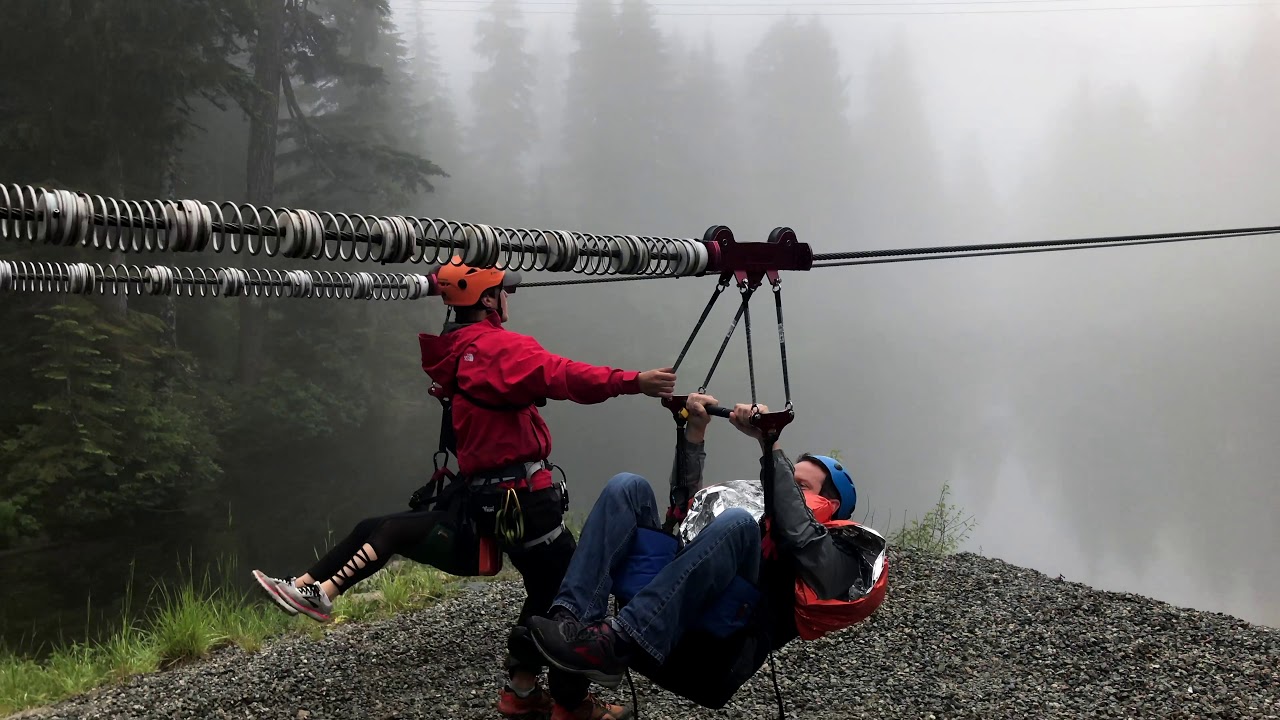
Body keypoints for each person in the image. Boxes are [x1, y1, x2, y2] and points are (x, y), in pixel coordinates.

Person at [251, 258, 678, 720]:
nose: (508, 297)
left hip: (485, 500)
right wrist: (634, 382)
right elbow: (564, 375)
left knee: (528, 585)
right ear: (488, 299)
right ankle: (572, 706)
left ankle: (314, 587)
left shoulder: (456, 350)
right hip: (525, 500)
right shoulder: (502, 349)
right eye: (503, 291)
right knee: (568, 601)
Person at [524, 393, 884, 709]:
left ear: (831, 503)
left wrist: (770, 443)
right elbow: (685, 516)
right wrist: (695, 431)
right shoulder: (752, 503)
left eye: (797, 482)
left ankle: (616, 642)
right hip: (674, 595)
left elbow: (798, 534)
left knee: (739, 522)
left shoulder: (840, 551)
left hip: (714, 646)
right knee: (626, 486)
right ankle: (571, 620)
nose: (782, 484)